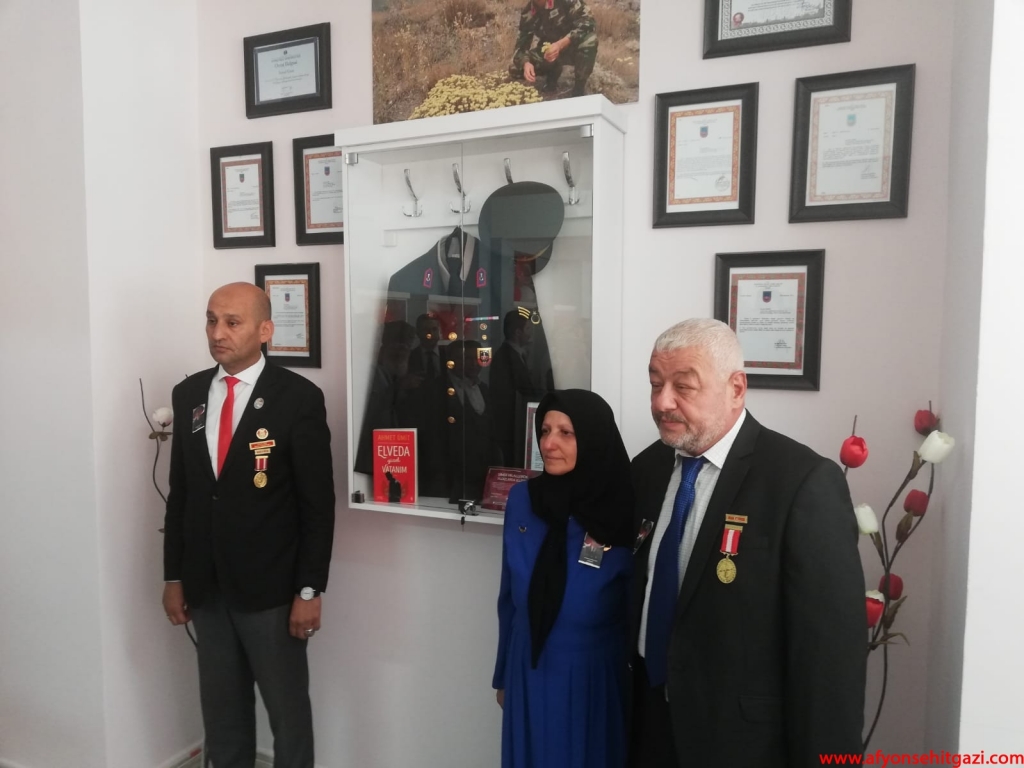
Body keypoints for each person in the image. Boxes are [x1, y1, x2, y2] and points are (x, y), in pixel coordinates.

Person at [628, 319, 866, 768]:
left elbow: (829, 661)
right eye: (656, 384)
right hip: (649, 723)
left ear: (736, 388)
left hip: (741, 742)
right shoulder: (648, 468)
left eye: (683, 386)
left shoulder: (801, 483)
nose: (662, 402)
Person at [163, 282, 335, 768]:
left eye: (232, 322)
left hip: (272, 592)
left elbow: (317, 506)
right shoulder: (189, 394)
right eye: (211, 320)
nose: (217, 333)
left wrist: (309, 590)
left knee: (288, 716)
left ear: (265, 330)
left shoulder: (297, 398)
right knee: (222, 718)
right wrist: (173, 576)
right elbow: (182, 494)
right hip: (207, 586)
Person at [493, 389, 634, 768]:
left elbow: (635, 609)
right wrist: (503, 674)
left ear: (592, 439)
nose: (549, 444)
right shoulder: (522, 499)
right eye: (545, 430)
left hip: (594, 675)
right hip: (528, 665)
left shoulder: (623, 508)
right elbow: (508, 597)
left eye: (566, 433)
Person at [508, 0, 598, 97]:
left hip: (572, 46)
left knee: (590, 41)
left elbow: (588, 22)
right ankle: (552, 76)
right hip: (549, 52)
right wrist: (526, 63)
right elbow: (520, 48)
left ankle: (579, 88)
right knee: (515, 68)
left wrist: (560, 44)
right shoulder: (528, 12)